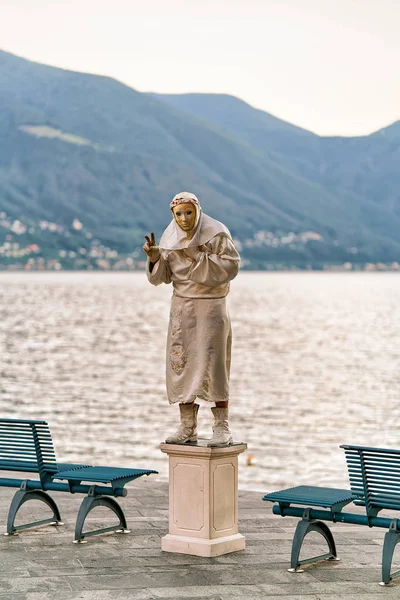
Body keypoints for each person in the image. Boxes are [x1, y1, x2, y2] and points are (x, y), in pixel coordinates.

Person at [142, 192, 240, 446]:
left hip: (211, 307)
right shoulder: (169, 238)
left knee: (215, 364)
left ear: (197, 211)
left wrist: (197, 256)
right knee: (181, 364)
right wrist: (154, 257)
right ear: (172, 215)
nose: (184, 219)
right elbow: (162, 277)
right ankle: (187, 426)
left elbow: (231, 266)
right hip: (182, 308)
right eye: (178, 214)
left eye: (188, 212)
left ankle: (221, 427)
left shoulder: (216, 233)